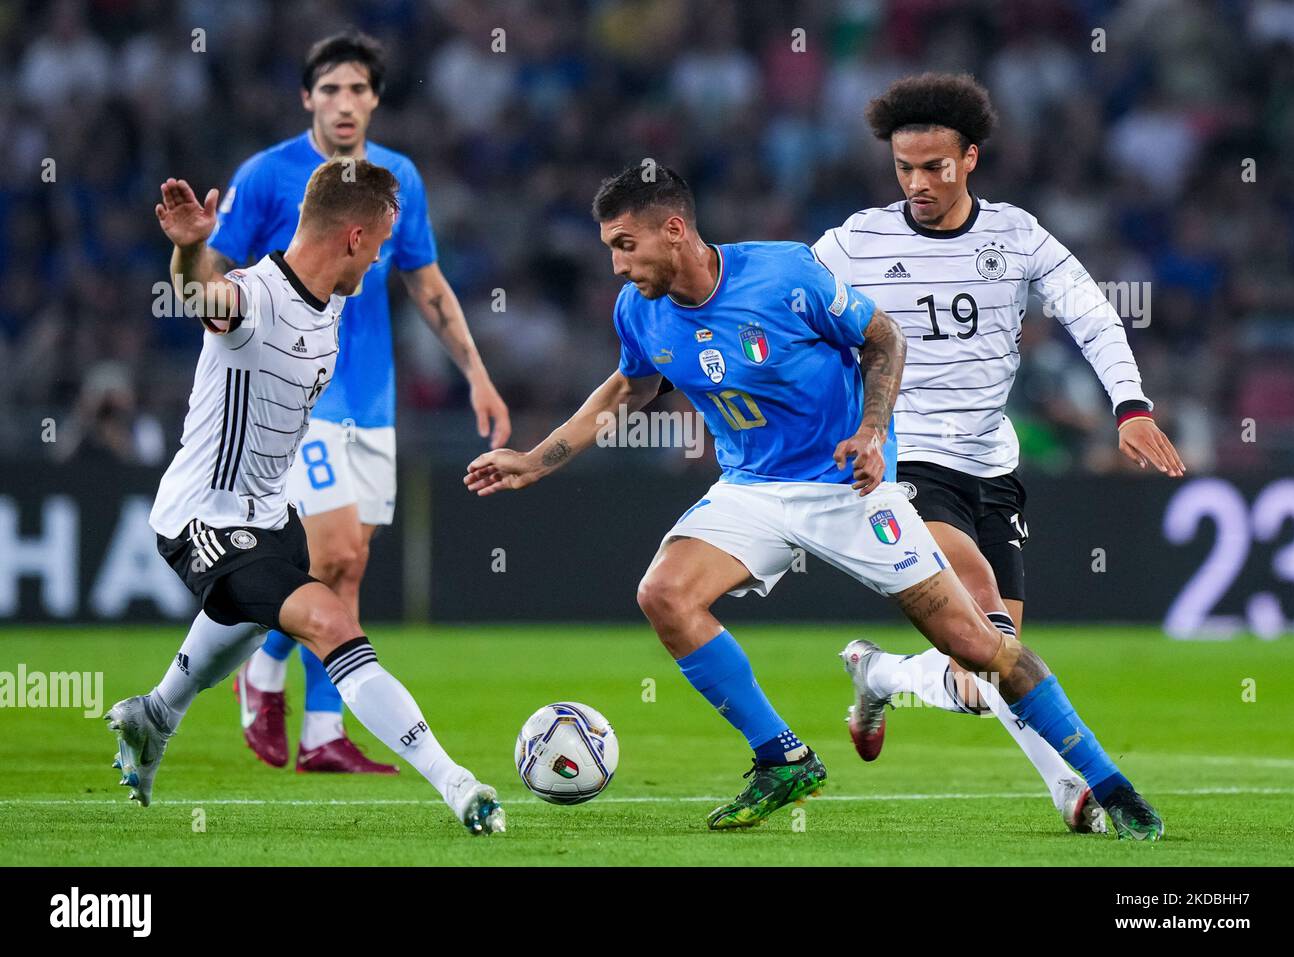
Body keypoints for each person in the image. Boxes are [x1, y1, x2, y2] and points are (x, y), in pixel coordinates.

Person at [465, 165, 1163, 838]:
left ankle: (1111, 784)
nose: (617, 265)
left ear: (673, 230)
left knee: (982, 650)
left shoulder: (783, 273)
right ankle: (783, 757)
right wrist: (535, 458)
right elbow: (628, 388)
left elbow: (882, 338)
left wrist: (870, 430)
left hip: (848, 486)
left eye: (625, 245)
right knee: (665, 592)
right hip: (752, 489)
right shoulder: (639, 311)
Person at [812, 72, 1185, 835]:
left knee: (990, 671)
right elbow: (779, 301)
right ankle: (1072, 788)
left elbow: (1089, 311)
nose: (917, 182)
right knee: (986, 621)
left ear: (970, 157)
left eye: (934, 166)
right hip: (907, 461)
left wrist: (1130, 404)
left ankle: (878, 672)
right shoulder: (855, 242)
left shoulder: (1015, 235)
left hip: (992, 466)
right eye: (904, 167)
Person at [104, 159, 505, 836]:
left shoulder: (335, 301)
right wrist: (188, 249)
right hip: (207, 517)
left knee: (254, 615)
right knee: (331, 624)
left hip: (271, 514)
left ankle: (157, 712)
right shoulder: (255, 299)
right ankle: (458, 784)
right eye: (378, 243)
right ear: (352, 238)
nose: (380, 258)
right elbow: (205, 294)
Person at [197, 30, 511, 773]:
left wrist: (477, 374)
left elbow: (426, 286)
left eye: (358, 89)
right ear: (307, 97)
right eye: (330, 89)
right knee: (330, 548)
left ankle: (322, 732)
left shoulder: (396, 176)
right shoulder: (269, 175)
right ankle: (262, 672)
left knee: (349, 564)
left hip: (372, 396)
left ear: (375, 99)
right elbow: (212, 275)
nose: (345, 103)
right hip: (295, 392)